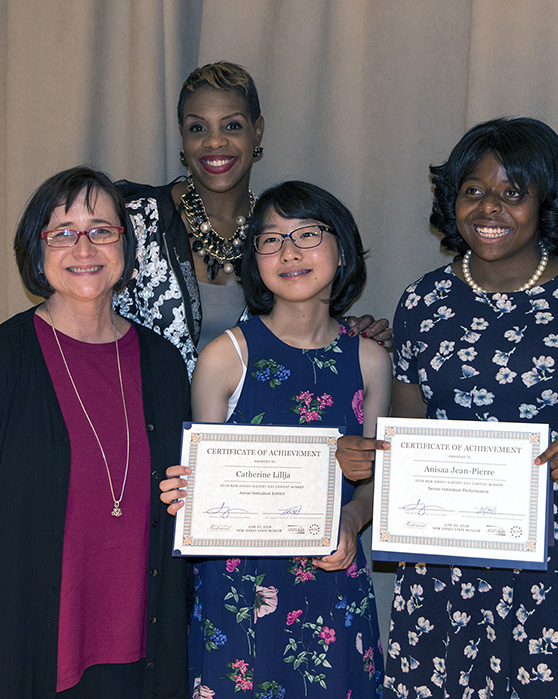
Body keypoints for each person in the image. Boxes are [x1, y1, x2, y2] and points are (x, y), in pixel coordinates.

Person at [366, 117, 558, 698]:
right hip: (442, 566)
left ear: (549, 202)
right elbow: (404, 437)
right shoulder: (423, 301)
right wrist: (366, 455)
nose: (490, 208)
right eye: (473, 191)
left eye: (513, 192)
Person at [0, 167, 191, 699]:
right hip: (28, 657)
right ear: (37, 251)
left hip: (144, 660)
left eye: (102, 230)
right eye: (62, 232)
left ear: (126, 247)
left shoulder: (163, 364)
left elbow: (180, 501)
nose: (84, 247)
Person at [160, 181, 391, 697]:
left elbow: (376, 479)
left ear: (342, 248)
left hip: (333, 578)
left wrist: (353, 520)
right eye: (270, 239)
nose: (289, 252)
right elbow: (207, 481)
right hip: (239, 590)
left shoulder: (371, 360)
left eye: (307, 234)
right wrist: (187, 491)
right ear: (255, 258)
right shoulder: (224, 356)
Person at [114, 61, 389, 375]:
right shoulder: (134, 222)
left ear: (256, 131)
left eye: (231, 126)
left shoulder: (279, 236)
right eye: (197, 128)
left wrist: (342, 331)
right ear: (183, 136)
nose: (214, 142)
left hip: (252, 422)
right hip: (144, 419)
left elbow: (298, 331)